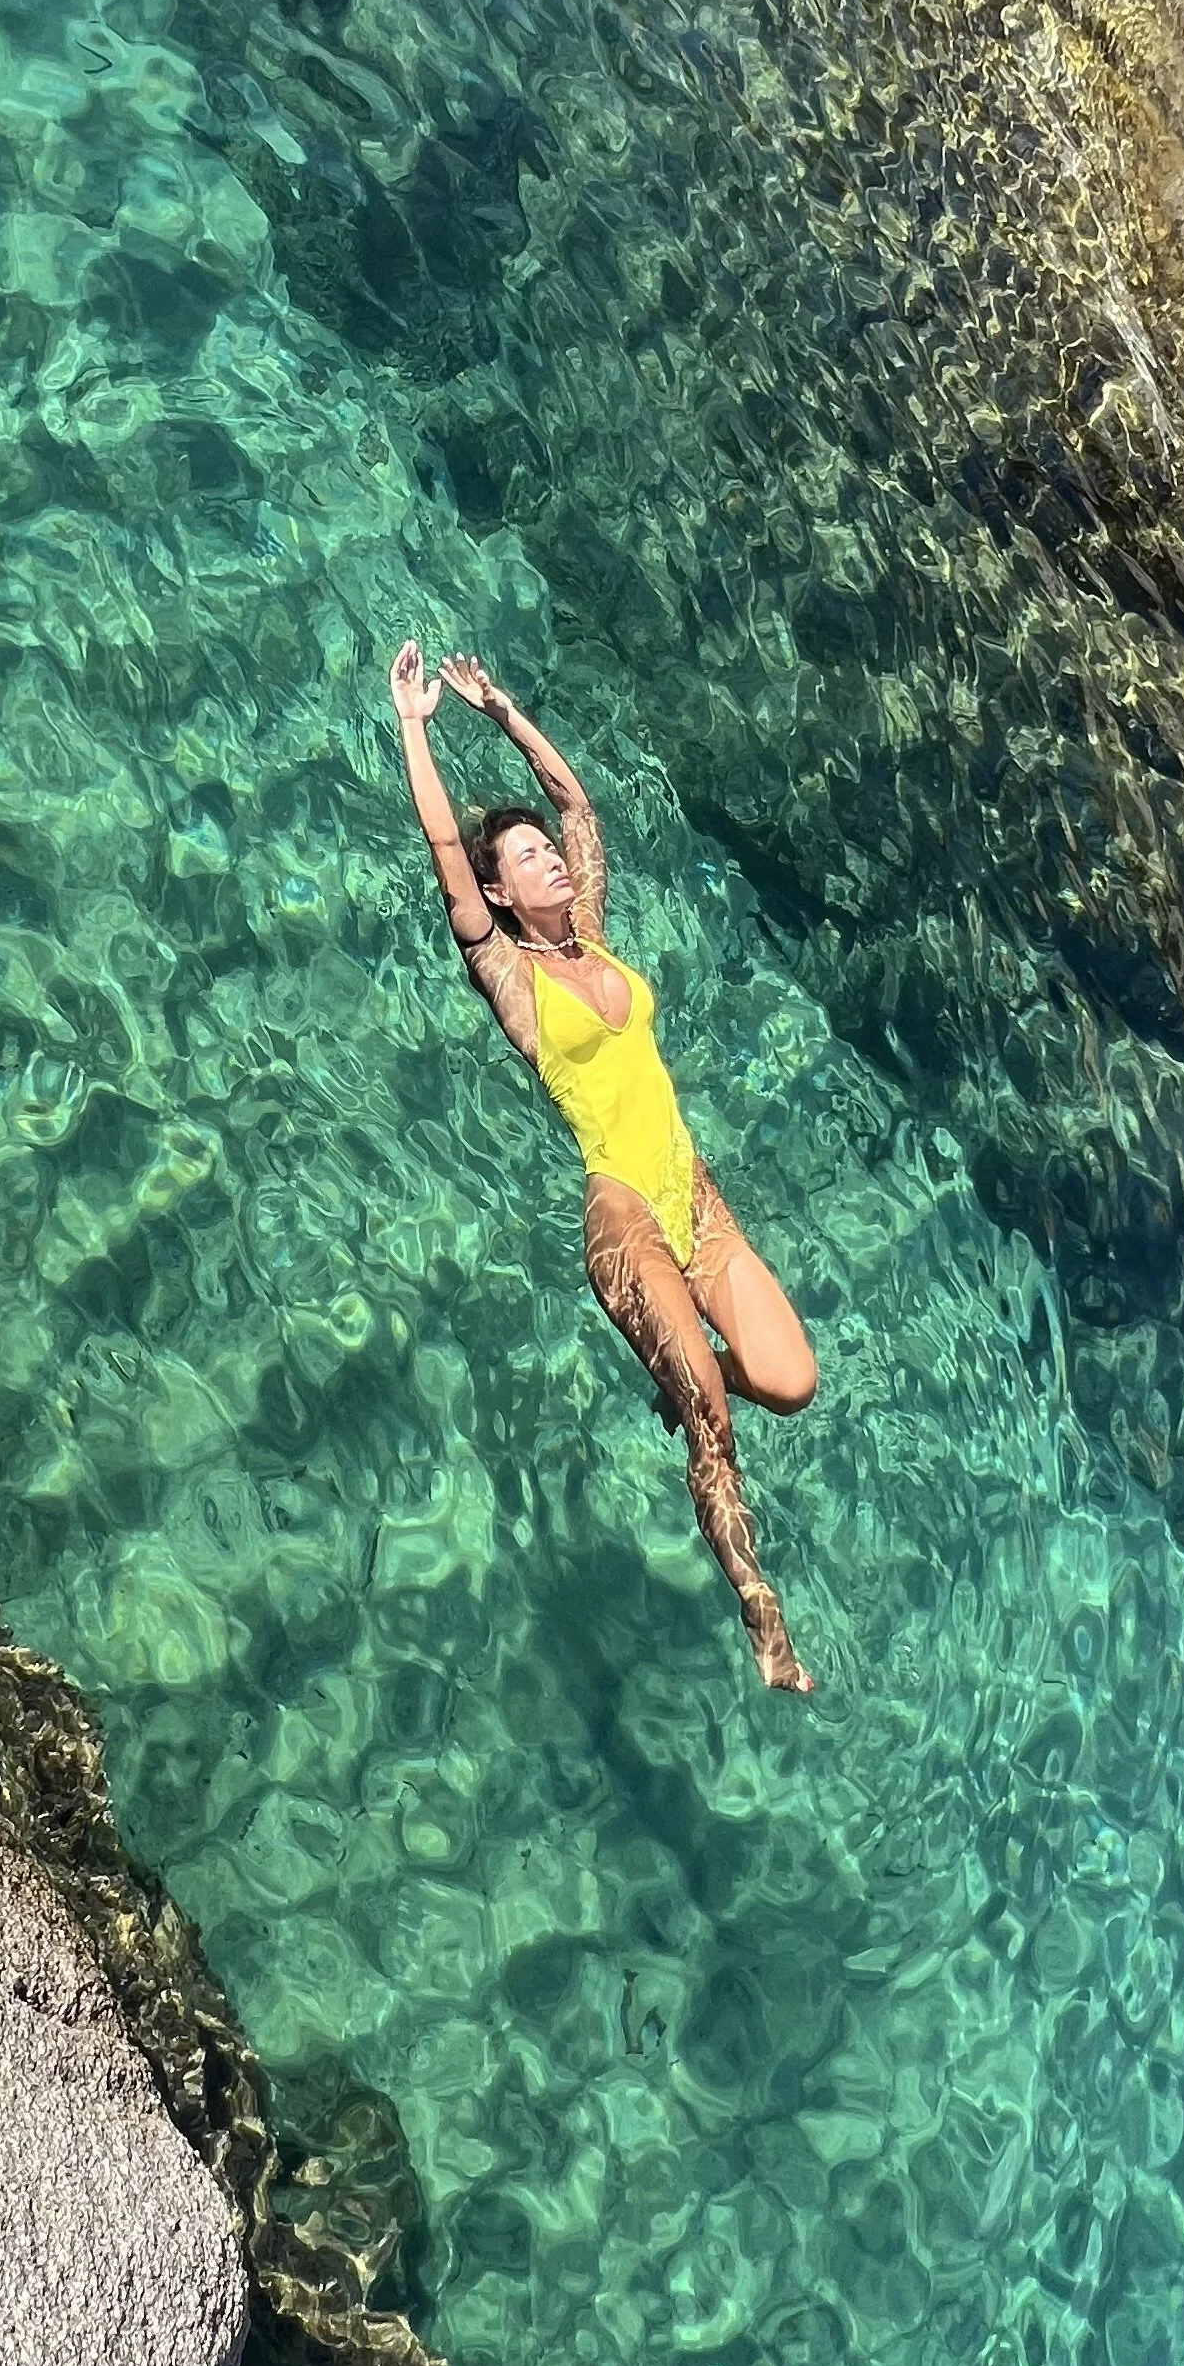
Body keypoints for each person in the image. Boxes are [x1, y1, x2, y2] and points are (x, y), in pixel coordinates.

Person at [389, 637, 816, 1690]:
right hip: (625, 1217)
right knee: (716, 1430)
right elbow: (446, 846)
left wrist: (502, 708)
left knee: (789, 1381)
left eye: (546, 856)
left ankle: (691, 1379)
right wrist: (415, 728)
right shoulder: (507, 971)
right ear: (497, 891)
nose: (548, 861)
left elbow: (577, 803)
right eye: (524, 859)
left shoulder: (594, 933)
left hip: (694, 1197)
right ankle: (762, 1617)